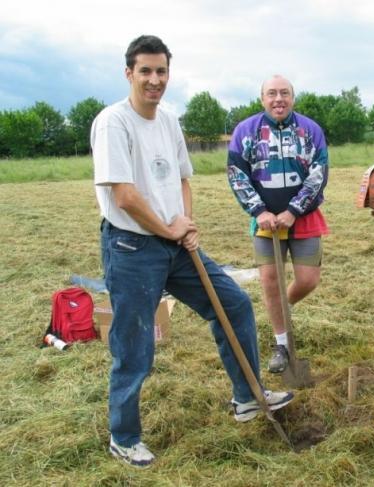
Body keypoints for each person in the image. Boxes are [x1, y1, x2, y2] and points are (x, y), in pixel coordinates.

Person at [91, 35, 293, 468]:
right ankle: (123, 436)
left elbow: (183, 179)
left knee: (233, 304)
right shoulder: (114, 122)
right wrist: (168, 227)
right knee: (135, 343)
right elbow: (124, 195)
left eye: (161, 71)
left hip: (175, 245)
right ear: (129, 73)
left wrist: (187, 225)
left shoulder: (168, 120)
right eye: (145, 70)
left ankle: (247, 398)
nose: (154, 80)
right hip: (131, 247)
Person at [227, 75, 329, 373]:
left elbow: (319, 173)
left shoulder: (310, 131)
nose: (278, 99)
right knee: (270, 280)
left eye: (284, 93)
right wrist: (259, 210)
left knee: (308, 280)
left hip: (304, 217)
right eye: (271, 93)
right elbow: (237, 173)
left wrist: (294, 210)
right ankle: (281, 343)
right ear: (262, 99)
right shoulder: (246, 131)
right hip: (265, 222)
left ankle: (280, 310)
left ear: (292, 98)